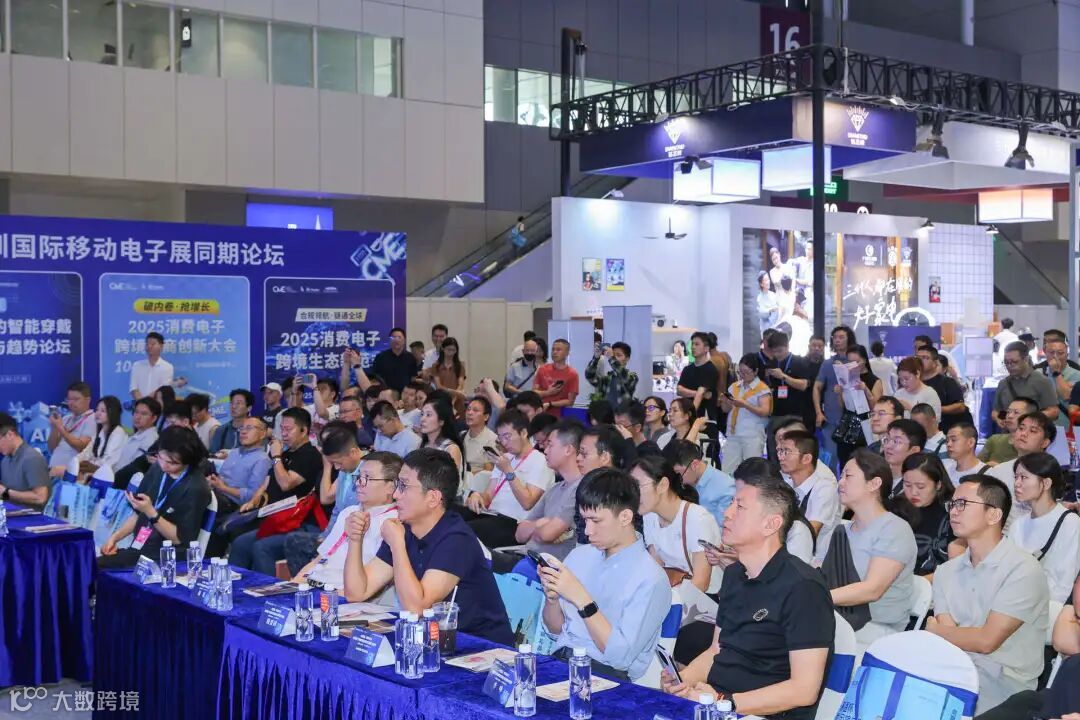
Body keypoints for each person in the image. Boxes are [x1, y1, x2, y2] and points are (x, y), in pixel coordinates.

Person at [662, 471, 833, 719]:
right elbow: (716, 650)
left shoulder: (804, 587)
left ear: (771, 524)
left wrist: (722, 702)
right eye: (732, 503)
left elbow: (804, 690)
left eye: (740, 507)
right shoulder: (734, 574)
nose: (727, 513)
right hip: (720, 703)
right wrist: (683, 681)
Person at [343, 447, 514, 643]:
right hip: (434, 641)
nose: (396, 495)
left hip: (480, 647)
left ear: (433, 498)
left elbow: (417, 608)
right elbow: (356, 592)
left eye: (404, 486)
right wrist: (355, 539)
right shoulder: (405, 529)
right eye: (397, 484)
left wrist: (397, 546)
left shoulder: (456, 539)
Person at [928, 474, 1049, 715]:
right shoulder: (946, 571)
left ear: (993, 515)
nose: (953, 511)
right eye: (952, 504)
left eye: (962, 504)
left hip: (1004, 686)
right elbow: (949, 642)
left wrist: (934, 630)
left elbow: (986, 641)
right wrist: (942, 633)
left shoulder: (1023, 569)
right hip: (954, 671)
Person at [539, 468, 672, 681]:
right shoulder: (579, 556)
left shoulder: (651, 579)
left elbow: (619, 658)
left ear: (625, 517)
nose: (588, 530)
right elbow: (555, 629)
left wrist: (582, 599)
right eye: (585, 520)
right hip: (561, 660)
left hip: (606, 676)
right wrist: (552, 599)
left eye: (596, 521)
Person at [829, 449, 917, 650]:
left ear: (874, 484)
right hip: (837, 619)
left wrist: (817, 597)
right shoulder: (842, 530)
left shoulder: (894, 529)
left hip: (876, 630)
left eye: (848, 476)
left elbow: (872, 589)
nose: (840, 482)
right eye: (841, 476)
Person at [294, 448, 399, 601]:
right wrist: (293, 584)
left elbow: (364, 589)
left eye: (367, 478)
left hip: (339, 596)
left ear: (391, 486)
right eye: (358, 477)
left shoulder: (393, 523)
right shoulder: (348, 512)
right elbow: (320, 559)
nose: (358, 483)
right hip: (312, 586)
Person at [99, 426, 211, 568]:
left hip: (168, 559)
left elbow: (180, 540)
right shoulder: (157, 468)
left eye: (172, 463)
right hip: (140, 549)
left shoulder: (196, 488)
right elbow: (137, 513)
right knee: (91, 566)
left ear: (187, 461)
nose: (164, 465)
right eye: (160, 457)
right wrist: (115, 538)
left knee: (96, 568)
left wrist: (151, 513)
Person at [226, 408, 323, 570]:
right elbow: (267, 482)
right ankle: (235, 581)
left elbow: (286, 483)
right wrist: (252, 502)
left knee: (260, 547)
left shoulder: (310, 455)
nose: (283, 434)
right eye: (282, 429)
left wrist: (277, 457)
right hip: (273, 516)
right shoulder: (286, 453)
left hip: (295, 520)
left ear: (304, 430)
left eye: (288, 429)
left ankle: (267, 586)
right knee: (239, 540)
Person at [494, 421, 586, 573]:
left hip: (544, 567)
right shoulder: (554, 489)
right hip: (525, 556)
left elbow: (548, 534)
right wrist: (541, 523)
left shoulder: (580, 488)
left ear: (568, 449)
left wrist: (539, 527)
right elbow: (519, 534)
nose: (545, 450)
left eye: (550, 445)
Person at [463, 409, 555, 548]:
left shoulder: (540, 461)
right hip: (491, 515)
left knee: (464, 531)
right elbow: (488, 496)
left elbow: (527, 502)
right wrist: (477, 496)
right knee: (451, 515)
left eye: (507, 436)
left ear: (523, 433)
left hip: (513, 524)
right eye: (501, 438)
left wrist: (508, 470)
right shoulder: (505, 458)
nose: (504, 443)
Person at [634, 454, 721, 594]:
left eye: (638, 486)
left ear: (663, 485)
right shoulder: (650, 515)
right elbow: (656, 567)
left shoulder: (698, 518)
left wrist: (670, 602)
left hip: (705, 599)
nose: (633, 494)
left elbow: (701, 583)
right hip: (673, 591)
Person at [1007, 452, 1080, 603]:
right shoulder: (1018, 525)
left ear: (1046, 483)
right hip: (1016, 602)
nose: (1017, 483)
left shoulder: (1070, 523)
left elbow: (1064, 583)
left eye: (1024, 477)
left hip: (1050, 607)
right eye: (1016, 477)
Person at [777, 430, 840, 566]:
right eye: (780, 451)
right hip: (788, 552)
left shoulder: (824, 488)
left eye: (787, 452)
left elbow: (811, 531)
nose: (781, 457)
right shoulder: (785, 481)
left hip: (815, 562)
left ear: (806, 459)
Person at [901, 452, 955, 577]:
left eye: (920, 486)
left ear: (938, 485)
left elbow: (954, 568)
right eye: (907, 485)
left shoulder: (953, 514)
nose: (913, 492)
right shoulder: (898, 508)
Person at [762, 331, 813, 458]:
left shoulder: (799, 362)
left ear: (787, 346)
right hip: (775, 414)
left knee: (793, 451)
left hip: (794, 414)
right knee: (774, 452)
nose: (777, 354)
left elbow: (804, 385)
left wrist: (783, 376)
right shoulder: (771, 363)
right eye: (774, 351)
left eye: (780, 351)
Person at [986, 411, 1055, 506]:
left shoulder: (1051, 474)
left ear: (1044, 443)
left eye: (1033, 431)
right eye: (1021, 428)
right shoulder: (997, 472)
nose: (1023, 434)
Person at [718, 353, 772, 473]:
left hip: (752, 435)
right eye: (740, 372)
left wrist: (745, 405)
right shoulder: (734, 386)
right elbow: (725, 410)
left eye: (746, 372)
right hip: (733, 434)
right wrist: (725, 401)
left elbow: (765, 411)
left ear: (756, 371)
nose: (742, 375)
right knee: (727, 469)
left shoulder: (762, 389)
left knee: (752, 470)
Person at [667, 439, 736, 531]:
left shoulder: (725, 487)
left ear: (694, 465)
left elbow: (723, 530)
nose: (679, 480)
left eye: (678, 473)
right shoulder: (688, 481)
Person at [813, 326, 856, 471]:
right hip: (831, 418)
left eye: (841, 337)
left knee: (851, 461)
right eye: (835, 337)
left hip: (852, 419)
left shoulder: (856, 362)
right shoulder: (827, 363)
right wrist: (819, 412)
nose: (837, 340)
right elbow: (816, 387)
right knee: (829, 458)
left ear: (849, 339)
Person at [833, 344, 882, 468]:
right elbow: (842, 406)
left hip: (865, 428)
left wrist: (866, 390)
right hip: (847, 426)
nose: (852, 366)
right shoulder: (846, 378)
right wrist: (840, 393)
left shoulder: (874, 380)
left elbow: (876, 407)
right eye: (849, 362)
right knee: (845, 461)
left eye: (856, 362)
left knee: (865, 464)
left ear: (864, 360)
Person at [994, 341, 1059, 428]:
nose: (1009, 366)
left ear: (1025, 359)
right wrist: (998, 419)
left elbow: (1054, 411)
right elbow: (996, 411)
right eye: (1006, 362)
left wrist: (1028, 418)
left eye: (1014, 362)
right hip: (1008, 433)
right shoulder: (1003, 383)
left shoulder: (1041, 381)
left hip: (1032, 432)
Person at [0, 412, 52, 507]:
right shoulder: (5, 461)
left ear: (10, 435)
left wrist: (6, 492)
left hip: (31, 516)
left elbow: (40, 497)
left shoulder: (32, 458)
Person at [46, 382, 96, 478]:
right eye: (69, 399)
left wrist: (61, 429)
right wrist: (55, 428)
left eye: (76, 399)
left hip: (72, 474)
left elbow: (81, 447)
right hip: (54, 471)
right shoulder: (66, 418)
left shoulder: (92, 419)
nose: (71, 403)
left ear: (88, 400)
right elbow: (51, 448)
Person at [981, 396, 1038, 467]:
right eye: (1008, 412)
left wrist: (1000, 468)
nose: (1010, 416)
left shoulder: (1033, 445)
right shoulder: (994, 440)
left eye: (1016, 412)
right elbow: (977, 466)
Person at [677, 332, 721, 423]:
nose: (693, 347)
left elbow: (700, 394)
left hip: (704, 420)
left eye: (697, 344)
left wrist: (690, 415)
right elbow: (679, 390)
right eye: (692, 344)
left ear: (706, 348)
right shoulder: (687, 369)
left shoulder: (710, 370)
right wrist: (698, 393)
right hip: (689, 418)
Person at [80, 395, 128, 473]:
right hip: (94, 472)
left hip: (108, 475)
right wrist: (76, 462)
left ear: (113, 413)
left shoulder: (118, 433)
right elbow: (86, 453)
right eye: (97, 410)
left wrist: (88, 466)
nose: (98, 413)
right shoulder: (100, 432)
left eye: (103, 411)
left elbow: (108, 462)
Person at [418, 397, 465, 477]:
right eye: (422, 414)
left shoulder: (451, 449)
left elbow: (450, 481)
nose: (422, 419)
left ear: (441, 421)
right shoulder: (421, 444)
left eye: (428, 415)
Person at [585, 341, 638, 410]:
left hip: (622, 415)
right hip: (605, 414)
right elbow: (589, 376)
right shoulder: (608, 378)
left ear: (627, 359)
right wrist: (596, 358)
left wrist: (611, 358)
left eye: (618, 355)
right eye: (614, 355)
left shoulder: (632, 377)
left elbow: (624, 377)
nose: (615, 358)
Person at [535, 338, 580, 418]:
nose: (554, 352)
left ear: (567, 353)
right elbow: (534, 393)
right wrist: (547, 393)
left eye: (558, 350)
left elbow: (570, 401)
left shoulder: (572, 374)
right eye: (553, 349)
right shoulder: (542, 369)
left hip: (560, 416)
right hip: (541, 415)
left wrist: (550, 404)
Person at [424, 336, 467, 417]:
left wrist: (453, 400)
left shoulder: (460, 366)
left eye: (454, 350)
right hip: (442, 400)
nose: (451, 353)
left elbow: (460, 385)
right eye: (449, 350)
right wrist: (456, 393)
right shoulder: (436, 366)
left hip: (457, 402)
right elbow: (439, 387)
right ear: (443, 349)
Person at [881, 419, 926, 495]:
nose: (888, 446)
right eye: (887, 439)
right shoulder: (876, 475)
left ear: (914, 450)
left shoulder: (918, 486)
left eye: (897, 441)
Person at [115, 397, 161, 470]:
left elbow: (135, 467)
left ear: (154, 418)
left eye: (144, 414)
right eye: (136, 412)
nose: (137, 417)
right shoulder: (136, 435)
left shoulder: (151, 440)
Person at [369, 328, 419, 394]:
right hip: (386, 393)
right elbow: (375, 377)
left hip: (405, 394)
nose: (396, 340)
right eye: (393, 337)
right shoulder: (380, 357)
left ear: (404, 340)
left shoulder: (411, 358)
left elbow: (413, 377)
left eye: (399, 337)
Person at [129, 332, 174, 401]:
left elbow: (162, 391)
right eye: (147, 344)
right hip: (139, 405)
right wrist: (140, 404)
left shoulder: (167, 367)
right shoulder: (137, 365)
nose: (149, 346)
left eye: (153, 344)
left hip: (157, 405)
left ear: (161, 346)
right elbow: (134, 388)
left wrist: (144, 403)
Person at [209, 389, 253, 455]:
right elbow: (212, 454)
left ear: (249, 408)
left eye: (238, 403)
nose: (233, 406)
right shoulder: (221, 430)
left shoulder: (256, 430)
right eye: (232, 403)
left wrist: (231, 454)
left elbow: (258, 454)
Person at [461, 397, 498, 474]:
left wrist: (464, 475)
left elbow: (488, 472)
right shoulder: (461, 435)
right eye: (468, 409)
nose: (469, 413)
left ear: (486, 417)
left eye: (475, 410)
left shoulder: (492, 440)